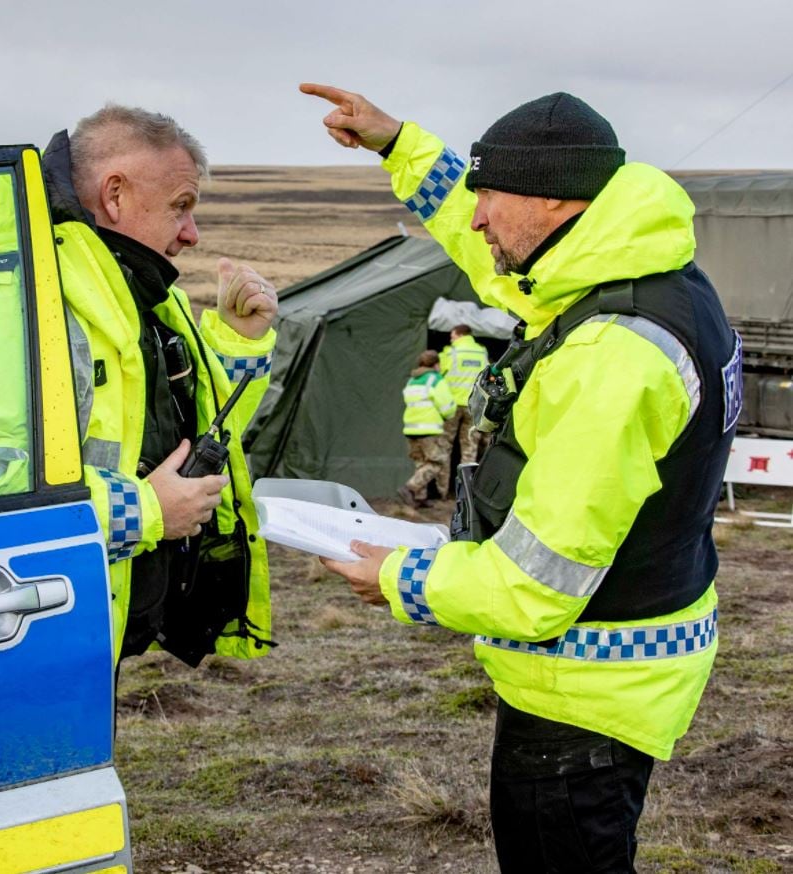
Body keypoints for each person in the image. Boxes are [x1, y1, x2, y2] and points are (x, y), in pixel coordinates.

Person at [302, 83, 740, 872]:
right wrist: (399, 145)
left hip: (580, 698)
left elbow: (536, 586)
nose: (474, 218)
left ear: (554, 204)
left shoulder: (611, 358)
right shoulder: (628, 271)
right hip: (623, 668)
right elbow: (488, 254)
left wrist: (400, 579)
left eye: (489, 195)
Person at [0, 105, 279, 667]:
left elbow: (190, 433)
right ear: (116, 195)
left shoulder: (132, 300)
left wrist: (236, 341)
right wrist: (146, 511)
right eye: (181, 206)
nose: (192, 234)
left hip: (44, 625)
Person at [438, 323, 490, 496]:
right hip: (473, 406)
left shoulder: (450, 352)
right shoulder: (481, 352)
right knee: (470, 448)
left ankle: (442, 492)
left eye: (452, 336)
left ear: (459, 335)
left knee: (444, 447)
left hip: (451, 406)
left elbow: (438, 375)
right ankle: (465, 492)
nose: (451, 339)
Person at [399, 349, 455, 508]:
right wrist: (448, 415)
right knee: (437, 462)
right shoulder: (436, 380)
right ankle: (410, 488)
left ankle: (419, 499)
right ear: (436, 364)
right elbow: (447, 407)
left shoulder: (412, 380)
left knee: (421, 462)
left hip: (411, 429)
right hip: (429, 429)